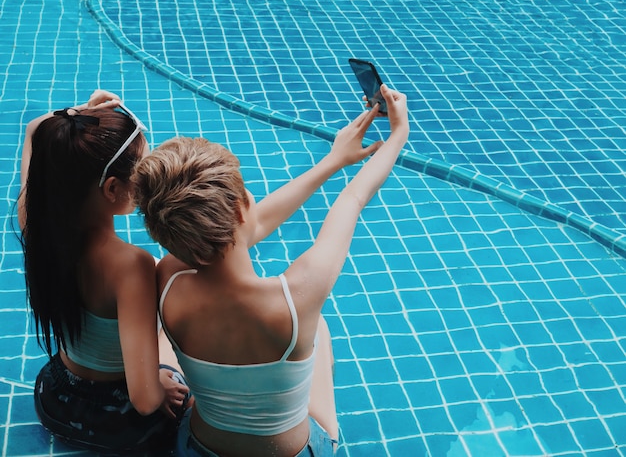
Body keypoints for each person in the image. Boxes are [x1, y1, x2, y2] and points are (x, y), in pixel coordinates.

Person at [131, 83, 408, 457]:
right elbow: (354, 198)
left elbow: (250, 227)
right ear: (245, 206)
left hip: (198, 449)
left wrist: (332, 161)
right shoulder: (297, 299)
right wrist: (398, 132)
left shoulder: (167, 277)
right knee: (319, 331)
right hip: (293, 451)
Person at [18, 90, 190, 454]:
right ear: (112, 188)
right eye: (142, 170)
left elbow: (36, 131)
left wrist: (75, 120)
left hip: (55, 397)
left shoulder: (36, 224)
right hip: (119, 421)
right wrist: (160, 382)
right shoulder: (130, 266)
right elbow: (144, 400)